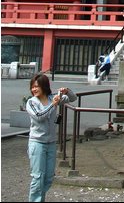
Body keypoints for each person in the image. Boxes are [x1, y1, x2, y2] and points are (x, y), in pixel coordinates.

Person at [25, 72, 77, 202]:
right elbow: (39, 116)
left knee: (48, 177)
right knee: (38, 177)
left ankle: (39, 199)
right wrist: (53, 105)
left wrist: (67, 90)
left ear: (44, 86)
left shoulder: (52, 97)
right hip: (37, 143)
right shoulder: (31, 102)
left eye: (37, 86)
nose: (34, 89)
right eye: (32, 87)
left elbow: (72, 98)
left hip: (51, 143)